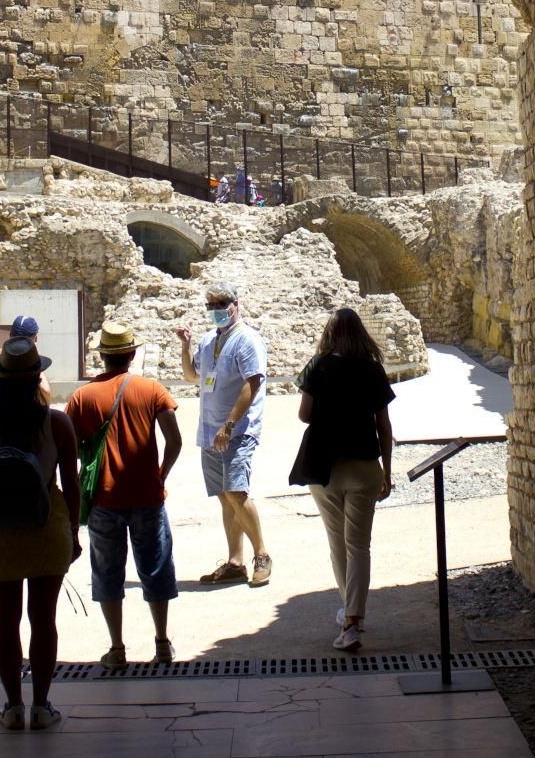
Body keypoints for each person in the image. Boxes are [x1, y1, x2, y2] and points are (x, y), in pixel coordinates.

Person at [0, 337, 81, 731]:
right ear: (37, 379)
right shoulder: (56, 422)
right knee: (43, 618)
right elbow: (71, 481)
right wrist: (73, 529)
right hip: (47, 523)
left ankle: (13, 705)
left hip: (0, 527)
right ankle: (42, 705)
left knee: (6, 618)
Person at [65, 322, 184, 670]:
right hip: (147, 496)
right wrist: (159, 475)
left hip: (103, 500)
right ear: (132, 355)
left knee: (107, 571)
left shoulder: (82, 397)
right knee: (156, 567)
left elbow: (69, 445)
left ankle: (117, 647)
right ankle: (162, 642)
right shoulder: (152, 390)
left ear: (102, 356)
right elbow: (174, 441)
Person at [294, 308, 396, 651]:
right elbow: (384, 426)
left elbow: (304, 414)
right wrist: (389, 469)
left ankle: (350, 615)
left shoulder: (318, 366)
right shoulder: (372, 368)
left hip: (325, 466)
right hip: (365, 466)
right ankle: (353, 617)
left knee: (337, 543)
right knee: (359, 545)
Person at [177, 280, 271, 586]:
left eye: (221, 305)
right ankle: (234, 561)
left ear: (235, 304)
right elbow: (192, 376)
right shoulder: (208, 341)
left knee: (236, 492)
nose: (216, 311)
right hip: (210, 431)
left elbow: (252, 382)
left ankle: (262, 555)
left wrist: (229, 425)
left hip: (236, 431)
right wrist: (185, 345)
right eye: (211, 306)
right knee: (225, 497)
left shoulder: (247, 340)